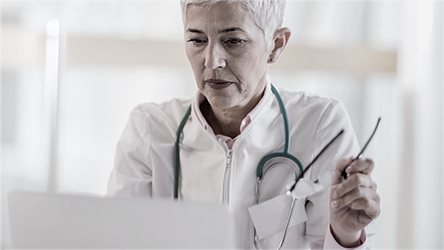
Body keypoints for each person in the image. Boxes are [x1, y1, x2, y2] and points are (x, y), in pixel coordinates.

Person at [106, 0, 380, 249]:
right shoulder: (150, 129)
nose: (212, 61)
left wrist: (346, 236)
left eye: (233, 41)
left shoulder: (321, 125)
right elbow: (116, 241)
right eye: (197, 40)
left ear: (276, 44)